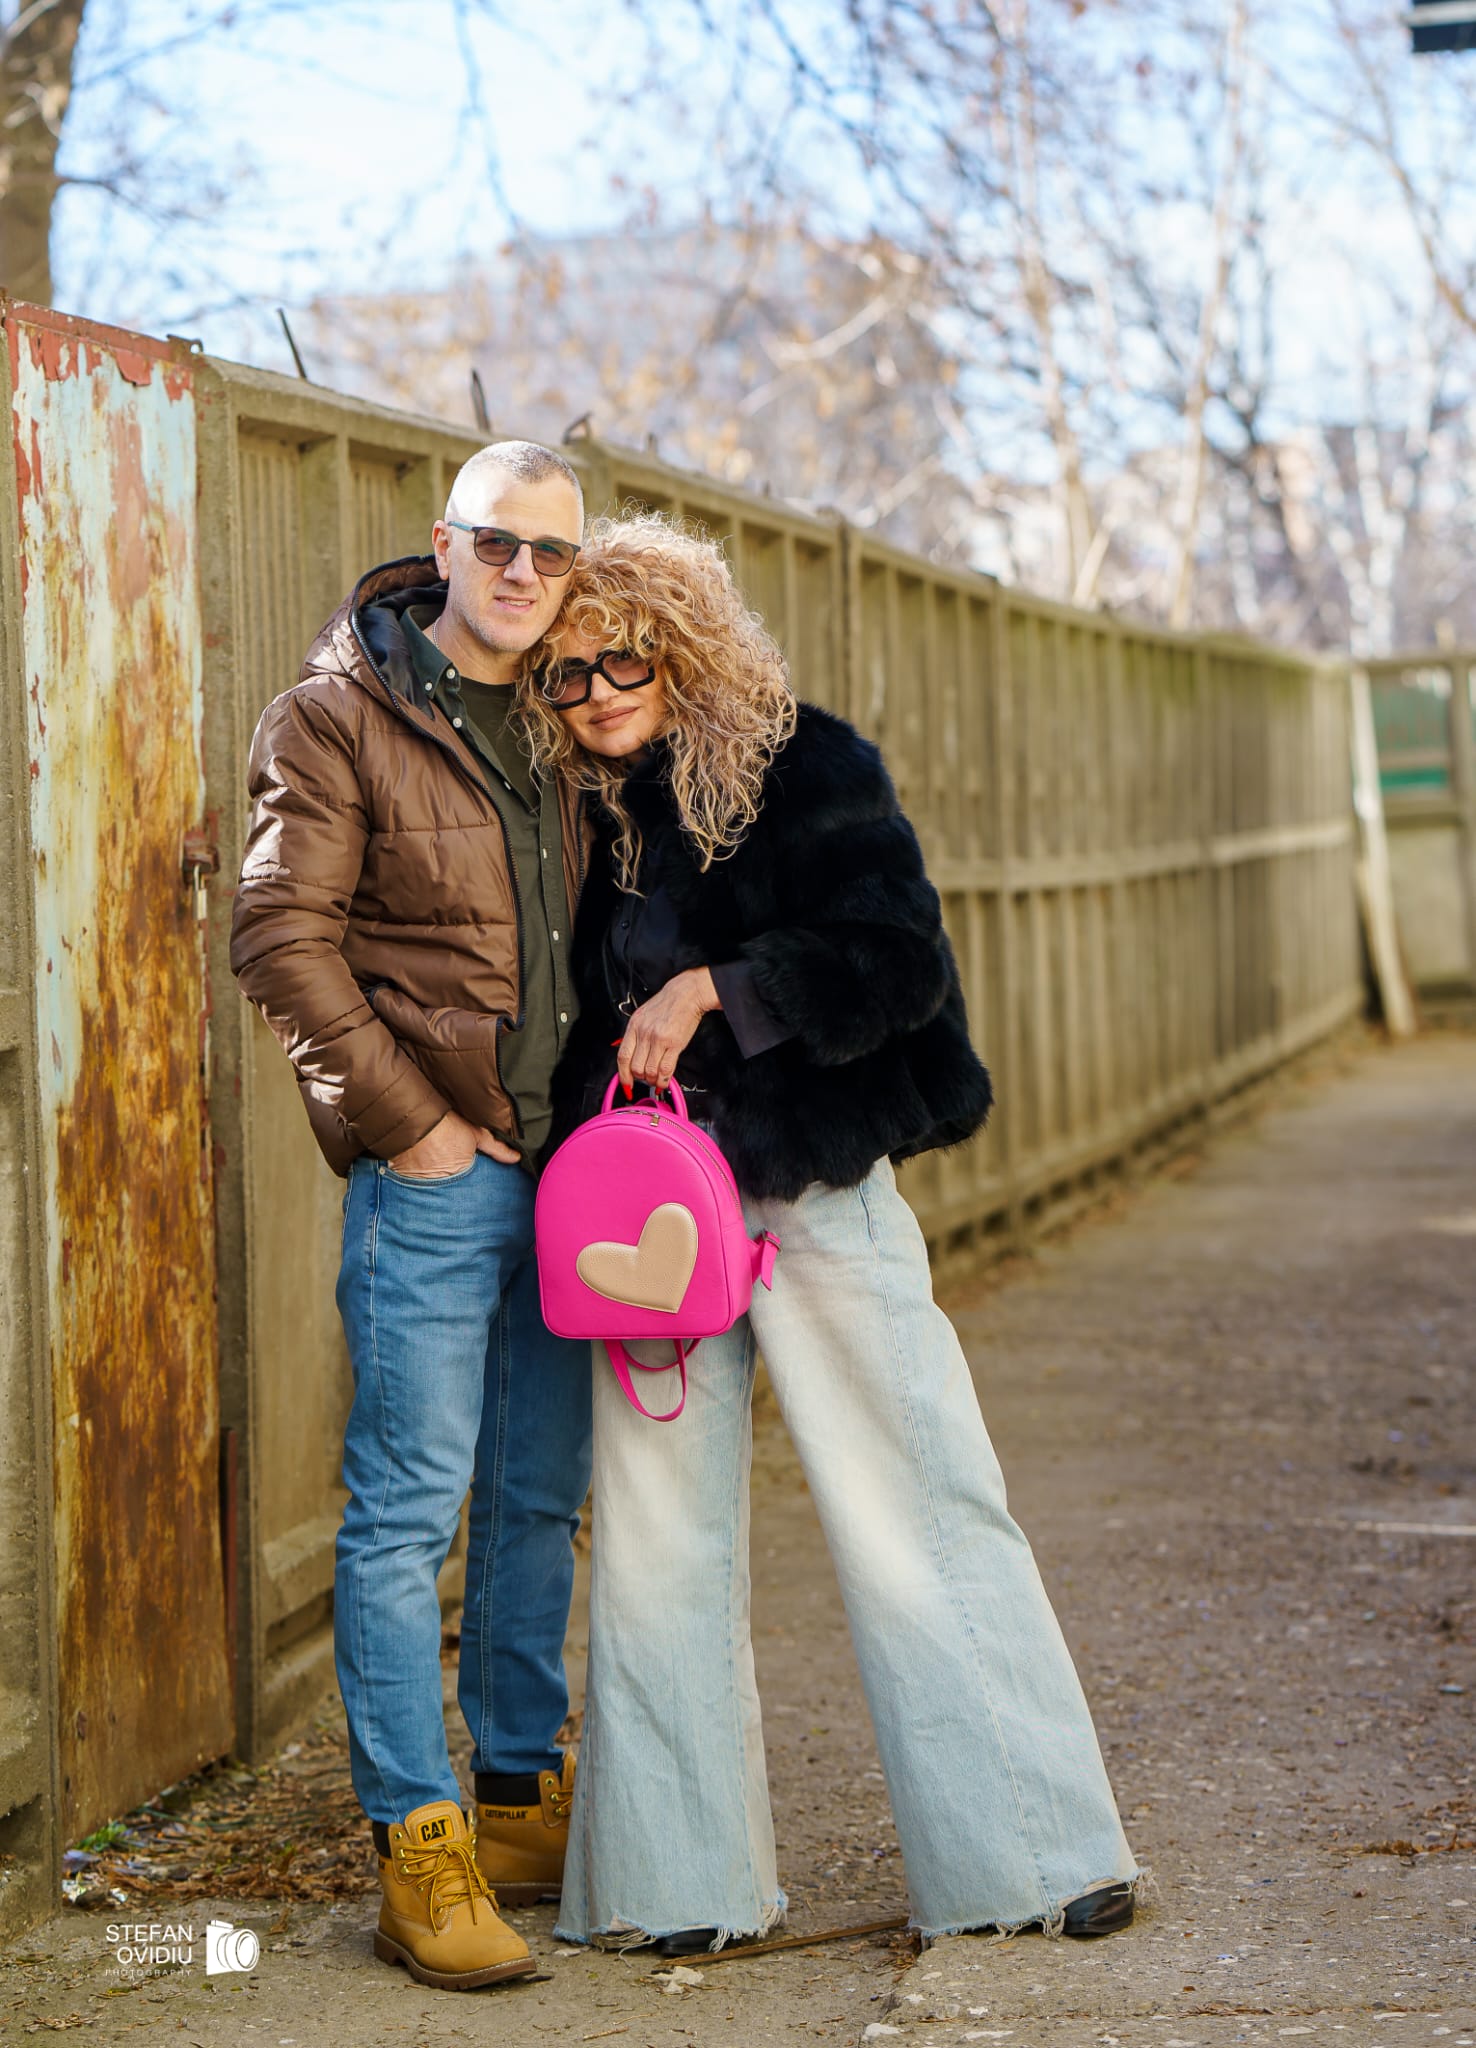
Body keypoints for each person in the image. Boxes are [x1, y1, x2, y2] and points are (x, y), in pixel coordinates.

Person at [519, 513, 1140, 1953]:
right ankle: (672, 1889)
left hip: (811, 1187)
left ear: (686, 647)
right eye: (567, 672)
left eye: (626, 659)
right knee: (658, 1544)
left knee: (917, 1500)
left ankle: (1036, 1857)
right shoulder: (578, 817)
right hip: (647, 1221)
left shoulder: (807, 766)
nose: (598, 693)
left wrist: (722, 990)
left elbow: (899, 962)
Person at [229, 441, 595, 1993]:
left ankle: (515, 1800)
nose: (523, 574)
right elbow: (278, 937)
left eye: (552, 553)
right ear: (443, 544)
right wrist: (419, 1132)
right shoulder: (334, 716)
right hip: (437, 1181)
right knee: (403, 1518)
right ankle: (416, 1844)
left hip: (576, 1185)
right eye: (497, 542)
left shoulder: (582, 713)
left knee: (536, 1499)